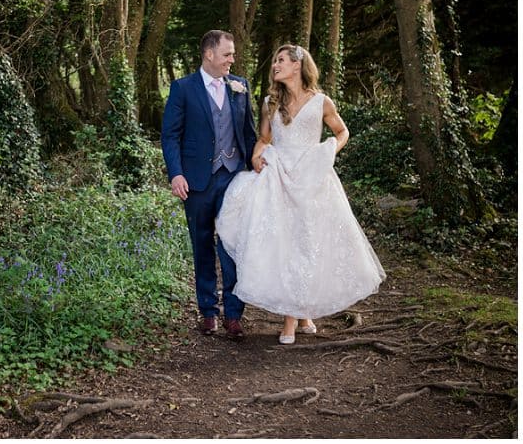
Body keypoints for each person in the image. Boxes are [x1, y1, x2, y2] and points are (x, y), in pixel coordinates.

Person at [216, 44, 386, 344]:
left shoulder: (321, 101)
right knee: (286, 242)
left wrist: (327, 150)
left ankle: (293, 319)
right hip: (279, 177)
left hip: (311, 179)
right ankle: (298, 316)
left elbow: (342, 132)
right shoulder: (271, 102)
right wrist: (257, 156)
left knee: (306, 242)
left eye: (281, 60)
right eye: (275, 61)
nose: (275, 65)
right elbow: (266, 138)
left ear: (297, 65)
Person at [161, 30, 257, 338]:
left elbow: (250, 132)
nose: (233, 59)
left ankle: (233, 315)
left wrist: (257, 168)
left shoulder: (240, 86)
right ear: (209, 55)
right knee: (202, 245)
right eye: (228, 53)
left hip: (233, 177)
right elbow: (170, 135)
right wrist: (176, 173)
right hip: (196, 180)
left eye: (233, 54)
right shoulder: (182, 88)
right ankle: (208, 312)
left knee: (231, 245)